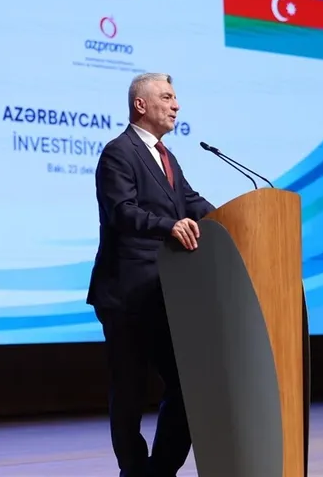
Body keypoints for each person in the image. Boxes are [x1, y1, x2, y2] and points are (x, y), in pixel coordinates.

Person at [86, 73, 216, 477]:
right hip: (125, 294)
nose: (177, 105)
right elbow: (122, 212)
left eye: (176, 98)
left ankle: (159, 472)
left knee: (186, 385)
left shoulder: (167, 157)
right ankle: (133, 471)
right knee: (129, 392)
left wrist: (236, 222)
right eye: (167, 97)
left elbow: (191, 201)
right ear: (141, 104)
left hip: (163, 293)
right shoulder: (118, 152)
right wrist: (168, 226)